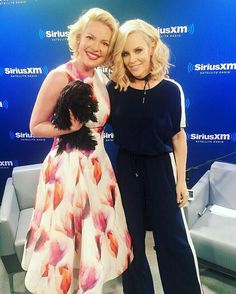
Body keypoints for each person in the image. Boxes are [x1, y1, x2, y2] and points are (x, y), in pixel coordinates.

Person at [21, 8, 133, 294]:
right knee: (66, 246)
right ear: (77, 38)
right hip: (67, 171)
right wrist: (69, 128)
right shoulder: (60, 76)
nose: (96, 47)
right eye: (90, 38)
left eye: (105, 43)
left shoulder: (100, 79)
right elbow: (35, 126)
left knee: (89, 246)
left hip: (97, 168)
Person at [107, 19, 203, 294]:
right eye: (125, 53)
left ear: (152, 47)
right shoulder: (114, 89)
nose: (132, 59)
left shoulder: (172, 90)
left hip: (161, 167)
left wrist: (181, 181)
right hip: (126, 168)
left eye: (138, 50)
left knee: (173, 239)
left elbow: (178, 137)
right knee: (132, 241)